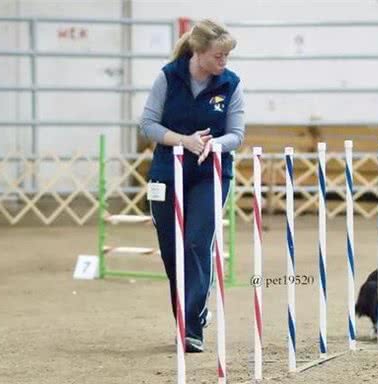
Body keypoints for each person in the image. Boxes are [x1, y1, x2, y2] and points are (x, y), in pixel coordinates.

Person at [139, 19, 245, 352]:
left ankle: (192, 327)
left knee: (198, 245)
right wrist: (183, 140)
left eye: (227, 55)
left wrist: (214, 145)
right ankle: (187, 317)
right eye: (218, 55)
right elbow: (148, 124)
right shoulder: (168, 77)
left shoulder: (231, 84)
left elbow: (236, 135)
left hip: (209, 174)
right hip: (167, 173)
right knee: (173, 254)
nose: (223, 62)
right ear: (198, 52)